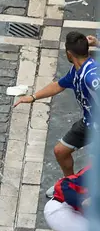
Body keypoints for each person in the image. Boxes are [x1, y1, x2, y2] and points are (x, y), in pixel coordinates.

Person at [15, 32, 98, 177]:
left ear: (69, 54)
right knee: (60, 152)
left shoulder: (91, 77)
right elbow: (58, 85)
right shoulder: (76, 71)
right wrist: (33, 97)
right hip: (88, 123)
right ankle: (69, 184)